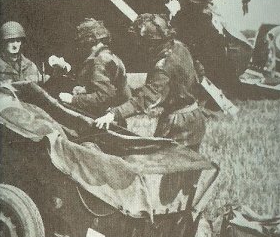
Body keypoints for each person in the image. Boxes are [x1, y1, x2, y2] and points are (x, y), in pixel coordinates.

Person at [95, 14, 205, 150]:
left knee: (170, 165)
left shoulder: (163, 65)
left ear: (150, 42)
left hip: (179, 125)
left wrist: (114, 114)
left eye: (142, 42)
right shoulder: (179, 47)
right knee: (189, 167)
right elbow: (199, 71)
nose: (139, 46)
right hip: (195, 116)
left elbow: (146, 99)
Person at [58, 18, 129, 118]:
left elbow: (104, 97)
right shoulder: (108, 55)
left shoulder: (100, 60)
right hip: (110, 116)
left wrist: (72, 99)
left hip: (103, 119)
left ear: (87, 40)